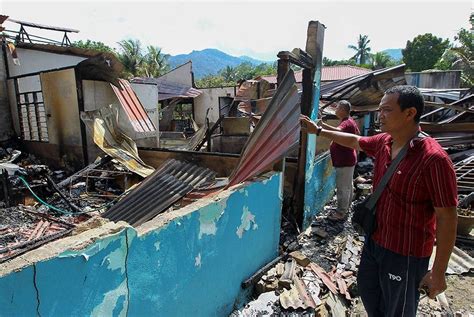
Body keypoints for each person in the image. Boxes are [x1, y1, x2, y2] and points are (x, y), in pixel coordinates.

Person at [301, 86, 458, 316]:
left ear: (409, 113)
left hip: (406, 254)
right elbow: (355, 140)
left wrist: (439, 271)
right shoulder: (384, 142)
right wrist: (319, 131)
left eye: (386, 110)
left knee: (398, 309)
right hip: (375, 242)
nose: (380, 115)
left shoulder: (433, 159)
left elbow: (447, 217)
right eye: (379, 109)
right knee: (370, 294)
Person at [319, 100, 360, 221]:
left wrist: (322, 126)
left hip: (345, 161)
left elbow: (338, 132)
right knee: (347, 185)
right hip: (348, 159)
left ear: (343, 109)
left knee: (342, 187)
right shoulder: (349, 121)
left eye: (337, 108)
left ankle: (341, 213)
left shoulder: (346, 123)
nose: (335, 110)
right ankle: (346, 207)